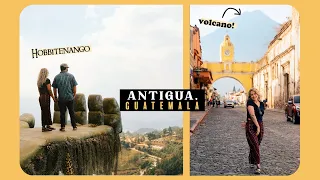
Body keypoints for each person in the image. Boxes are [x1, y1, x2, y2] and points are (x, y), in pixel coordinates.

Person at [52, 63, 78, 132]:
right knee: (71, 112)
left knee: (62, 113)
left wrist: (55, 96)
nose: (67, 69)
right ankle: (74, 126)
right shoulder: (71, 76)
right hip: (70, 97)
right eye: (67, 68)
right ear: (65, 68)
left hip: (61, 98)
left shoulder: (57, 77)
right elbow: (74, 87)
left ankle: (62, 127)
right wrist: (74, 95)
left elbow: (54, 88)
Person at [245, 88, 265, 174]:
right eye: (251, 95)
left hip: (260, 124)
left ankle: (251, 160)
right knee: (255, 144)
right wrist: (257, 126)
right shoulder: (250, 102)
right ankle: (258, 166)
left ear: (257, 94)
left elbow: (261, 114)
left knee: (256, 144)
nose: (253, 96)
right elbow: (252, 115)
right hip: (251, 125)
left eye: (255, 94)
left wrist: (260, 126)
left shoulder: (261, 103)